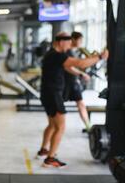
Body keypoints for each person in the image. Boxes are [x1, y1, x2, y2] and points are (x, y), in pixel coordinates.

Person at [36, 32, 108, 168]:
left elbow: (70, 67)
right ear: (61, 42)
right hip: (53, 94)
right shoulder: (57, 55)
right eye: (68, 43)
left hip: (47, 93)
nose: (69, 46)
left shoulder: (51, 54)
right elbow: (80, 63)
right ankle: (50, 159)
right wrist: (99, 57)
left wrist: (82, 72)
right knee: (61, 126)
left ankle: (43, 150)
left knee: (52, 125)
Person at [63, 31, 91, 132]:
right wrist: (81, 74)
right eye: (80, 40)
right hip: (65, 82)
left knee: (80, 103)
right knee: (60, 107)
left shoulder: (72, 51)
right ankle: (56, 126)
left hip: (72, 82)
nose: (81, 42)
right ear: (73, 39)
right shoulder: (67, 51)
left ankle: (88, 126)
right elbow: (68, 67)